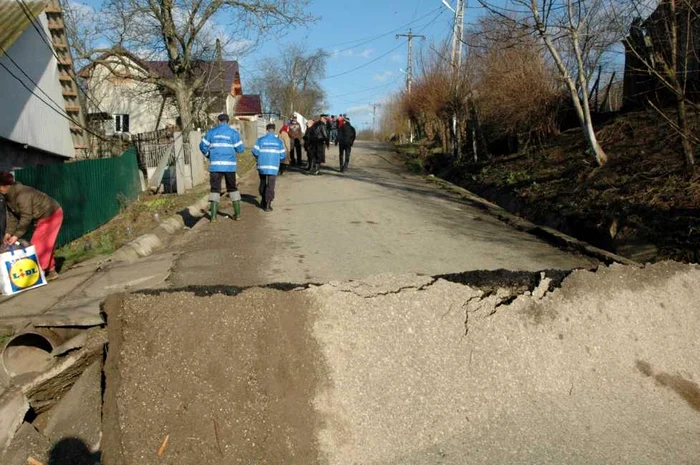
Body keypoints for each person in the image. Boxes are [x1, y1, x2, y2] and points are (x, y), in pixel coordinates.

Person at [0, 172, 62, 281]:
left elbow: (26, 217)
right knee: (44, 244)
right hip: (42, 217)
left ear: (4, 186)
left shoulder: (22, 194)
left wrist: (16, 236)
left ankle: (36, 275)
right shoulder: (8, 196)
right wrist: (8, 233)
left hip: (52, 214)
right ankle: (51, 271)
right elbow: (13, 216)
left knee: (37, 245)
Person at [199, 114, 245, 222]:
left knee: (215, 190)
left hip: (215, 166)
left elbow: (202, 146)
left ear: (218, 121)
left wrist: (208, 154)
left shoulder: (211, 132)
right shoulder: (233, 133)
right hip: (229, 167)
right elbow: (240, 149)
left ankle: (213, 217)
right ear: (228, 122)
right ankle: (237, 215)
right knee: (232, 188)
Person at [252, 123, 286, 212]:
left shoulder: (260, 140)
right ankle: (268, 204)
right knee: (271, 185)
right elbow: (283, 155)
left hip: (262, 166)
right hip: (273, 167)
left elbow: (255, 152)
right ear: (274, 130)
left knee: (263, 183)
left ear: (266, 129)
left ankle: (263, 199)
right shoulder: (279, 142)